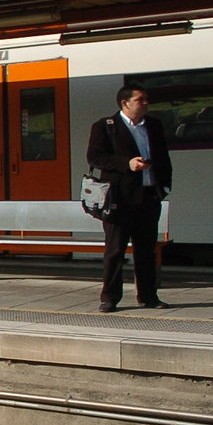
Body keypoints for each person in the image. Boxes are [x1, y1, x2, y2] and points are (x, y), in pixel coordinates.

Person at [86, 82, 173, 312]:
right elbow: (95, 157)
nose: (145, 103)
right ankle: (110, 298)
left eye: (146, 99)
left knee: (145, 250)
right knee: (115, 250)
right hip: (119, 198)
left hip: (148, 197)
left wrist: (164, 186)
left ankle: (148, 296)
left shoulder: (153, 125)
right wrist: (127, 163)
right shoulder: (105, 126)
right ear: (125, 103)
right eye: (140, 100)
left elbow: (163, 156)